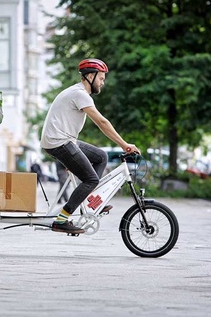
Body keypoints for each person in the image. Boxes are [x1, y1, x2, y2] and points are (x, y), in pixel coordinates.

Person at [40, 58, 140, 234]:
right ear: (90, 76)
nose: (102, 82)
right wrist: (124, 145)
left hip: (64, 140)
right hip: (59, 141)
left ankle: (93, 202)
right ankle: (61, 220)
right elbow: (101, 122)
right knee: (91, 179)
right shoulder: (80, 94)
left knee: (101, 156)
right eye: (101, 78)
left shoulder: (78, 93)